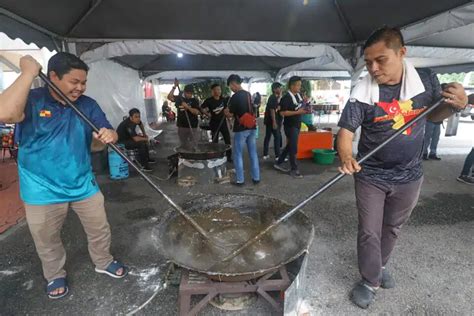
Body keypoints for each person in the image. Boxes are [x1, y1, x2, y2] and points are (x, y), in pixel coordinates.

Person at [336, 27, 467, 309]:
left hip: (410, 175)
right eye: (368, 62)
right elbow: (346, 131)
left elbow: (435, 116)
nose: (373, 68)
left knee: (392, 227)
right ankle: (370, 280)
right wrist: (346, 156)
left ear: (402, 53)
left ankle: (379, 265)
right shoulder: (362, 91)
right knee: (370, 230)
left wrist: (457, 105)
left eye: (380, 60)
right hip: (371, 174)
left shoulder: (426, 81)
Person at [2, 53, 129, 299]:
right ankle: (55, 274)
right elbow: (6, 114)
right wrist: (28, 72)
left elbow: (104, 135)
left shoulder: (88, 104)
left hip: (82, 182)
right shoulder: (32, 100)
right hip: (41, 188)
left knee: (99, 228)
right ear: (53, 77)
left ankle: (103, 261)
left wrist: (108, 136)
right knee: (47, 238)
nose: (80, 88)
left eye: (83, 82)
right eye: (74, 82)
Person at [224, 74, 260, 185]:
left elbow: (230, 115)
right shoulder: (249, 94)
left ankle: (240, 180)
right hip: (252, 126)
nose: (231, 88)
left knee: (238, 154)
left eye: (230, 86)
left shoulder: (235, 97)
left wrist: (226, 112)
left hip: (241, 128)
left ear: (233, 83)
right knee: (253, 153)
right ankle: (256, 178)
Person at [273, 76, 309, 178]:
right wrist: (298, 112)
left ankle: (278, 162)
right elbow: (282, 113)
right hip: (290, 126)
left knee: (290, 146)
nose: (299, 87)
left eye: (300, 85)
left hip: (297, 124)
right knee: (293, 148)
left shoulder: (298, 96)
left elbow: (301, 106)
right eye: (298, 85)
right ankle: (294, 169)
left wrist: (305, 103)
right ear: (292, 86)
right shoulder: (286, 98)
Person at [201, 83, 232, 162]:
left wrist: (229, 121)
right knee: (215, 141)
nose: (218, 91)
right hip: (214, 123)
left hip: (223, 123)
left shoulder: (224, 100)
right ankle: (215, 156)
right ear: (213, 91)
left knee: (227, 140)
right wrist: (207, 114)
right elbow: (201, 108)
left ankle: (229, 156)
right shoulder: (209, 100)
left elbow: (226, 111)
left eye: (219, 89)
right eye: (216, 90)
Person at [167, 79, 200, 148]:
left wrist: (187, 107)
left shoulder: (194, 100)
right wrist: (174, 87)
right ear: (184, 92)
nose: (189, 95)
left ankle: (193, 157)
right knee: (183, 144)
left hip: (193, 125)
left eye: (191, 93)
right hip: (182, 126)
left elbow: (197, 112)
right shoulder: (179, 98)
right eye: (188, 93)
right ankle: (185, 157)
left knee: (194, 144)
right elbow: (169, 97)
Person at [263, 82, 283, 160]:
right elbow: (272, 110)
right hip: (272, 121)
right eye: (279, 88)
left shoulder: (275, 97)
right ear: (275, 89)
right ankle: (278, 156)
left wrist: (280, 97)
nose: (281, 89)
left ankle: (265, 154)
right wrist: (274, 122)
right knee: (277, 137)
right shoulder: (272, 97)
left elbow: (276, 106)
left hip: (269, 121)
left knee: (268, 136)